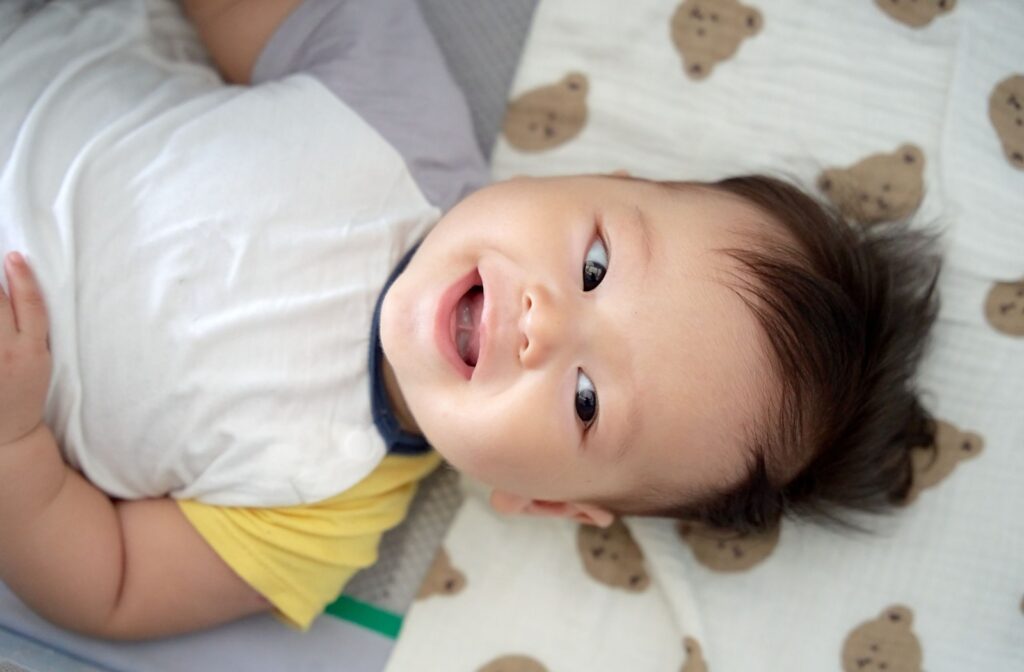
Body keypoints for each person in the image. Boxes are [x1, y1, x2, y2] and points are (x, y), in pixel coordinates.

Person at [0, 0, 939, 640]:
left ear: (548, 504)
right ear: (598, 178)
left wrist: (14, 441)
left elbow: (111, 583)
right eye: (598, 264)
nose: (544, 325)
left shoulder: (323, 509)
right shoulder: (394, 117)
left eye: (584, 400)